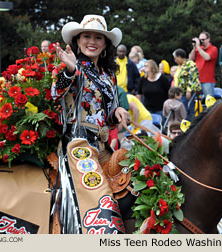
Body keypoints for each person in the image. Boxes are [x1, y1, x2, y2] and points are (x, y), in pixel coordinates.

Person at [51, 14, 131, 234]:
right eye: (86, 36)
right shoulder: (69, 65)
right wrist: (69, 71)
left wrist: (118, 111)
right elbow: (55, 93)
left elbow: (107, 116)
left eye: (98, 37)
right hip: (76, 145)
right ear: (77, 41)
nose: (92, 41)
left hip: (103, 145)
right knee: (99, 194)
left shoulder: (108, 75)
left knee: (132, 184)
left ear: (105, 44)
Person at [137, 59, 170, 124]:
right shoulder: (143, 79)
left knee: (160, 129)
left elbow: (169, 92)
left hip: (161, 109)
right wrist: (140, 107)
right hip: (147, 109)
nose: (144, 67)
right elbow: (139, 94)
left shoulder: (162, 78)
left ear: (152, 67)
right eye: (144, 66)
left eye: (146, 66)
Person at [172, 48, 201, 121]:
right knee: (183, 111)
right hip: (180, 92)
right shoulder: (179, 66)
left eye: (175, 58)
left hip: (188, 92)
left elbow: (193, 77)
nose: (175, 60)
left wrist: (189, 90)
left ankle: (192, 125)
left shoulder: (190, 64)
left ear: (179, 57)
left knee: (189, 110)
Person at [189, 31, 218, 97]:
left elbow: (207, 57)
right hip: (197, 79)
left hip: (207, 80)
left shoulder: (213, 49)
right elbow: (190, 58)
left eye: (203, 39)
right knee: (196, 101)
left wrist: (198, 47)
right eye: (200, 39)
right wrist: (194, 47)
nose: (201, 41)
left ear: (208, 39)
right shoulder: (198, 49)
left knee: (209, 101)